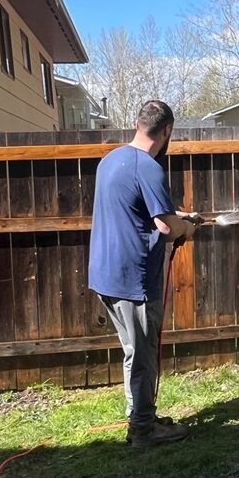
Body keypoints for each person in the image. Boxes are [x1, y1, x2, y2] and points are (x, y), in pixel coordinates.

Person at [88, 100, 198, 448]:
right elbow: (166, 228)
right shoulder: (148, 168)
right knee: (143, 356)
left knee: (133, 352)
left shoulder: (112, 160)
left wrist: (177, 215)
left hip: (105, 276)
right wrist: (186, 228)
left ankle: (140, 416)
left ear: (138, 124)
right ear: (167, 130)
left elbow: (138, 207)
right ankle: (144, 430)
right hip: (131, 281)